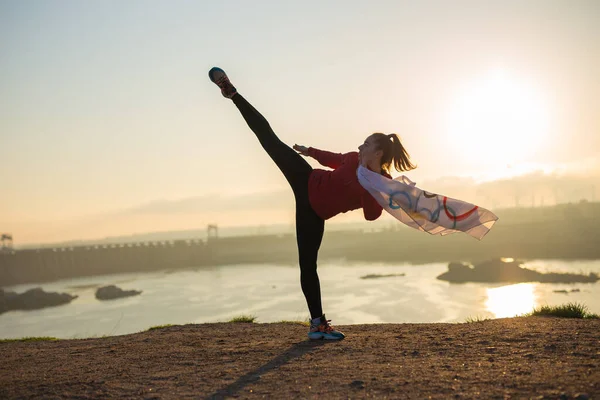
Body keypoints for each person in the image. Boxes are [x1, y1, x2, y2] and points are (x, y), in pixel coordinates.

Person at [209, 67, 417, 340]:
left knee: (308, 265)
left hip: (313, 213)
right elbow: (335, 159)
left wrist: (371, 188)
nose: (359, 146)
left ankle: (317, 325)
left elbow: (370, 216)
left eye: (365, 144)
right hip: (305, 178)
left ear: (378, 152)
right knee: (269, 139)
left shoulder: (380, 184)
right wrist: (310, 152)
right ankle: (232, 93)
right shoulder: (354, 159)